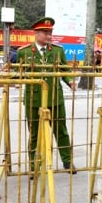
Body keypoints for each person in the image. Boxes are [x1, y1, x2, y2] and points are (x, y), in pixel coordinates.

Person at [16, 17, 77, 174]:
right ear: (36, 34)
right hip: (33, 100)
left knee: (61, 131)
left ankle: (67, 161)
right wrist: (15, 80)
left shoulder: (58, 51)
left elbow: (65, 71)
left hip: (55, 98)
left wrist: (70, 81)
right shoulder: (24, 52)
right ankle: (33, 166)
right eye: (46, 33)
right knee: (35, 134)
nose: (49, 36)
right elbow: (18, 73)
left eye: (51, 33)